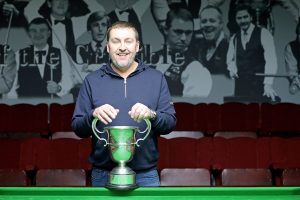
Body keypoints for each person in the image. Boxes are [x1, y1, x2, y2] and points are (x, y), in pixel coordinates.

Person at [71, 21, 176, 187]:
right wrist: (93, 115)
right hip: (102, 175)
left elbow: (170, 123)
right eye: (116, 41)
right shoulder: (92, 81)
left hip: (146, 175)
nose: (122, 47)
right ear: (108, 47)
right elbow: (77, 127)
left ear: (137, 46)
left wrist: (151, 114)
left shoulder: (156, 79)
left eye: (128, 41)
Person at [151, 8, 212, 97]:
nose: (183, 38)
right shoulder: (146, 59)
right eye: (178, 32)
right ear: (165, 29)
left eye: (188, 33)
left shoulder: (195, 69)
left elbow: (189, 108)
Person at [8, 17, 73, 98]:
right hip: (25, 106)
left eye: (42, 30)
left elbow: (68, 79)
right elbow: (12, 87)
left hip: (52, 106)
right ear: (29, 34)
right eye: (33, 31)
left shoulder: (61, 53)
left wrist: (58, 88)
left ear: (49, 33)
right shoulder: (18, 54)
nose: (38, 34)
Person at [226, 5, 279, 102]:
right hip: (240, 88)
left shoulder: (264, 33)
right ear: (236, 19)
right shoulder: (234, 38)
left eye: (245, 17)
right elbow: (230, 60)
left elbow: (271, 60)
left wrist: (268, 84)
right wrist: (232, 68)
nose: (242, 21)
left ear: (251, 17)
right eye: (239, 18)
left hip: (260, 87)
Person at [24, 0, 105, 59]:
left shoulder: (76, 23)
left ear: (69, 4)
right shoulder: (40, 23)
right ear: (49, 3)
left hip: (68, 73)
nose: (61, 3)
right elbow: (29, 9)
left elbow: (99, 10)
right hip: (45, 70)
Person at [71, 11, 110, 100]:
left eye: (103, 25)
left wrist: (90, 67)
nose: (100, 29)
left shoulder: (116, 51)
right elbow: (76, 78)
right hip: (85, 99)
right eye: (96, 25)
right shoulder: (79, 50)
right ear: (89, 30)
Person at [191, 6, 229, 75]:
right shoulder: (197, 46)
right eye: (204, 21)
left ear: (221, 24)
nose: (207, 25)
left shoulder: (232, 46)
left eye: (212, 21)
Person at [284, 20, 300, 94]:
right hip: (297, 77)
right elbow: (292, 71)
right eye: (299, 34)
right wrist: (295, 81)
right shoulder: (291, 47)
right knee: (293, 89)